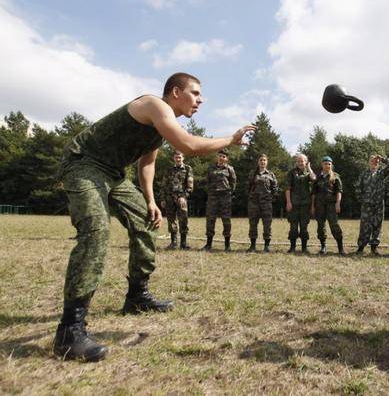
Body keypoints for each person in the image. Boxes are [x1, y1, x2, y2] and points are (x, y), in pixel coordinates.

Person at [53, 72, 255, 362]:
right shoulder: (154, 106)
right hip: (84, 165)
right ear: (175, 92)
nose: (201, 99)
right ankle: (69, 331)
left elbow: (147, 164)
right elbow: (189, 146)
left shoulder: (160, 127)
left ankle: (137, 296)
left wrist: (150, 201)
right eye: (195, 93)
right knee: (96, 233)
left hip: (114, 174)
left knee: (146, 224)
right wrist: (231, 140)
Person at [355, 154, 389, 255]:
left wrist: (382, 159)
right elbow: (358, 188)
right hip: (367, 204)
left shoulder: (382, 173)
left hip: (378, 204)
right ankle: (361, 247)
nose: (375, 162)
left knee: (377, 225)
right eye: (372, 161)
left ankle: (374, 247)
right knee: (364, 225)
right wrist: (362, 200)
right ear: (369, 162)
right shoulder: (363, 174)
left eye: (376, 162)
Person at [201, 149, 236, 252]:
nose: (221, 158)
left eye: (224, 156)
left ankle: (227, 245)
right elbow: (208, 181)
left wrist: (229, 193)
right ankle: (208, 244)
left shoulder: (230, 169)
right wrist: (211, 192)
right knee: (210, 220)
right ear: (217, 157)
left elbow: (233, 183)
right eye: (220, 156)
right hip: (213, 197)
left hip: (225, 197)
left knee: (226, 221)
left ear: (227, 159)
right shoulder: (210, 168)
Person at [311, 156, 345, 255]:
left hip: (331, 205)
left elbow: (339, 191)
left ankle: (340, 248)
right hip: (320, 205)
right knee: (321, 226)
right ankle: (323, 246)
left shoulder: (335, 176)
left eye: (329, 164)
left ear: (331, 165)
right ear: (322, 164)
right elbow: (313, 193)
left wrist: (338, 203)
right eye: (325, 163)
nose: (327, 165)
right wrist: (312, 206)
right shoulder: (318, 177)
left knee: (334, 226)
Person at [160, 150, 193, 250]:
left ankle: (183, 243)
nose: (178, 159)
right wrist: (162, 198)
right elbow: (164, 185)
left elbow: (190, 185)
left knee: (183, 220)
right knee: (171, 220)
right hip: (169, 198)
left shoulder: (188, 169)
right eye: (176, 157)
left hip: (181, 198)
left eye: (179, 157)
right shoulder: (169, 170)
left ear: (183, 158)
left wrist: (184, 196)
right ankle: (173, 243)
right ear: (173, 158)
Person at [247, 154, 278, 253]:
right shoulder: (253, 174)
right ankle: (252, 246)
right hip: (254, 203)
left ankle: (266, 246)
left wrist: (269, 197)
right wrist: (252, 197)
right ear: (258, 162)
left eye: (264, 160)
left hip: (266, 203)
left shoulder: (271, 174)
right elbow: (247, 187)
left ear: (267, 162)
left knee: (267, 225)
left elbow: (275, 188)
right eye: (261, 160)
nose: (262, 162)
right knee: (253, 224)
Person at [285, 153, 316, 254]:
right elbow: (288, 189)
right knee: (293, 227)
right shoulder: (291, 173)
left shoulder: (308, 173)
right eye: (298, 161)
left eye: (302, 161)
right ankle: (292, 247)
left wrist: (309, 168)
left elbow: (314, 179)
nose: (300, 163)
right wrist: (288, 202)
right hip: (294, 204)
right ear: (296, 162)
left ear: (306, 162)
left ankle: (304, 248)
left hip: (305, 205)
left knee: (304, 227)